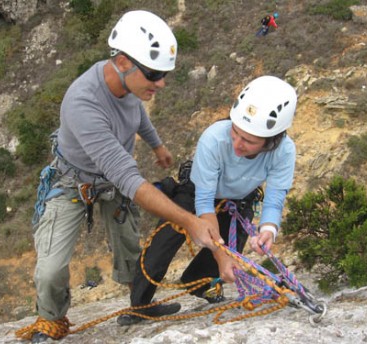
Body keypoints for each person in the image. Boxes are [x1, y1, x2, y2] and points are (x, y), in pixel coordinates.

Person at [22, 10, 222, 343]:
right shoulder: (83, 102)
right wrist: (189, 221)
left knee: (130, 248)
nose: (161, 83)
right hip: (74, 182)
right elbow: (128, 177)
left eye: (164, 74)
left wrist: (158, 147)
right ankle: (51, 319)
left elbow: (138, 117)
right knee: (51, 268)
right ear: (125, 62)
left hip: (110, 181)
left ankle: (139, 305)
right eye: (154, 74)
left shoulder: (130, 88)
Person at [118, 75, 297, 326]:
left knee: (230, 248)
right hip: (198, 191)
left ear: (272, 141)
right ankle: (140, 305)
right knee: (162, 244)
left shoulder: (285, 152)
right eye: (235, 132)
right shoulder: (214, 137)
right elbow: (203, 201)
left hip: (238, 199)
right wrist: (219, 252)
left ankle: (200, 285)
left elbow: (276, 196)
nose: (237, 144)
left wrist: (268, 228)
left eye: (249, 141)